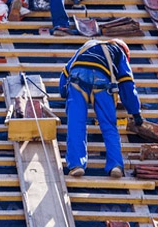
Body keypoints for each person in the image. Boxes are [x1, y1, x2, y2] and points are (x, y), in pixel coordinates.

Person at [59, 39, 144, 178]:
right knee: (109, 126)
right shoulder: (119, 52)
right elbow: (126, 82)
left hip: (76, 80)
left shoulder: (86, 47)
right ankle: (115, 165)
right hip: (102, 82)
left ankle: (76, 165)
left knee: (75, 124)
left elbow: (65, 74)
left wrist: (64, 93)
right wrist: (135, 112)